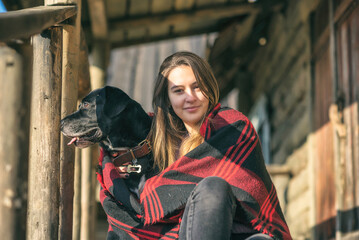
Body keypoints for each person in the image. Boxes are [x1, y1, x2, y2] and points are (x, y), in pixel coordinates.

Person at [98, 51, 292, 240]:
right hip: (184, 234)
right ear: (167, 99)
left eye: (197, 87)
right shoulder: (157, 145)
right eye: (178, 91)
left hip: (245, 232)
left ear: (209, 87)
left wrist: (156, 190)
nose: (190, 97)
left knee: (213, 187)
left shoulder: (233, 127)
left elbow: (251, 192)